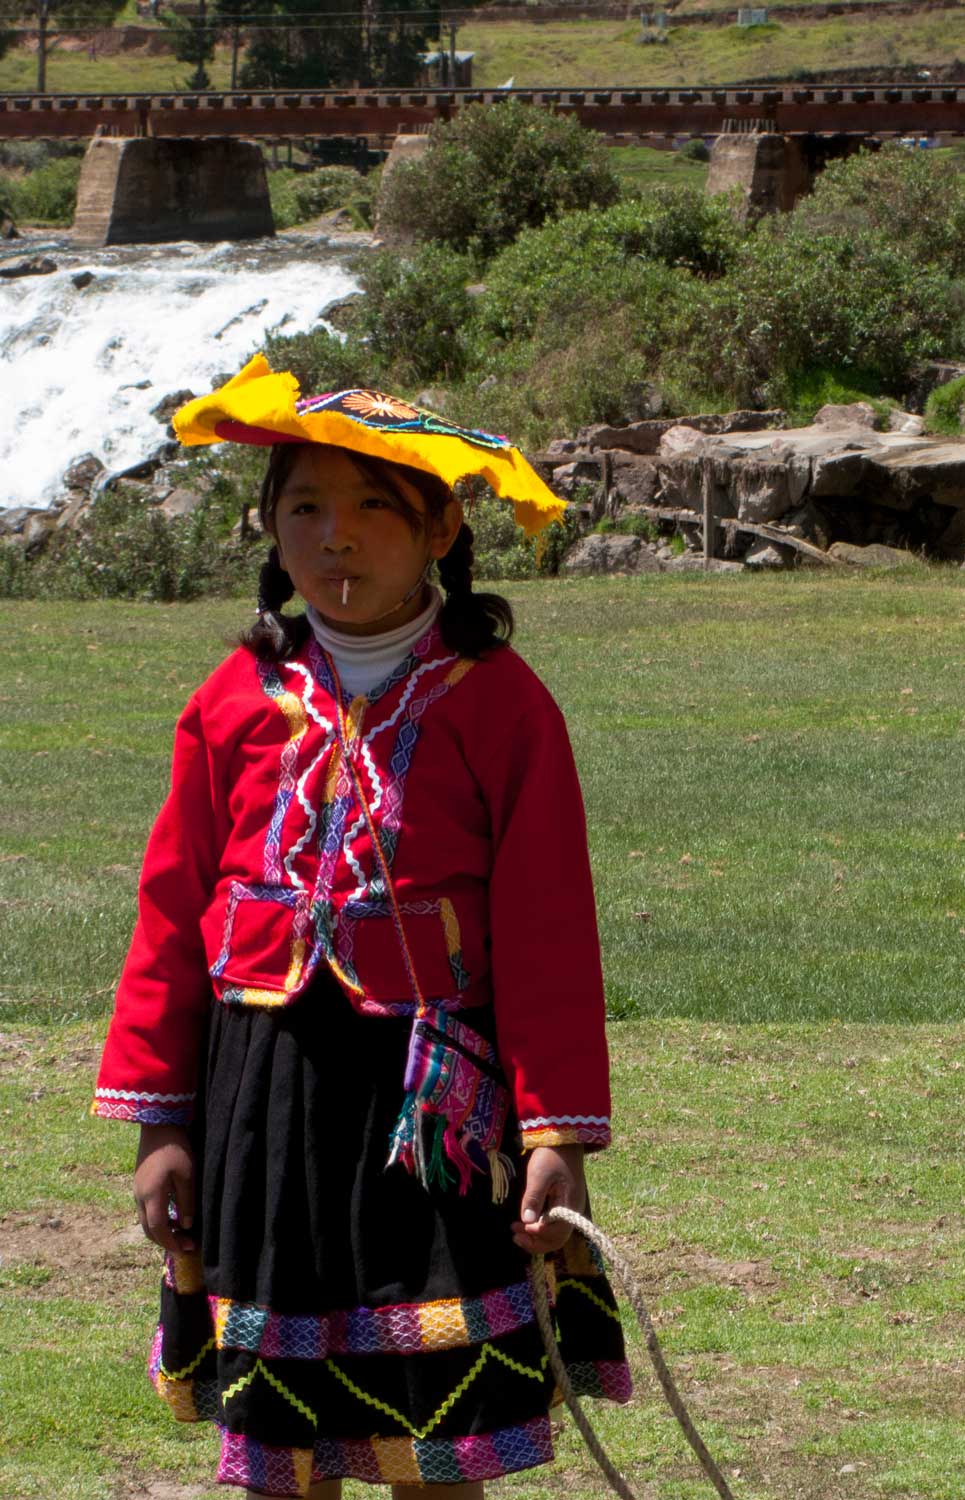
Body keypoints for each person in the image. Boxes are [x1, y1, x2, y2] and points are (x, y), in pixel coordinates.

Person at [93, 356, 630, 1499]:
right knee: (283, 1450)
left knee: (432, 1433)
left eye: (373, 508)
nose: (335, 538)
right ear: (271, 531)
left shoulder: (500, 704)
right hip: (265, 1092)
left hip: (430, 1110)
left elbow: (546, 930)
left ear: (439, 529)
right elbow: (171, 913)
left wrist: (553, 1133)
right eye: (305, 509)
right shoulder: (231, 700)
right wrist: (159, 1123)